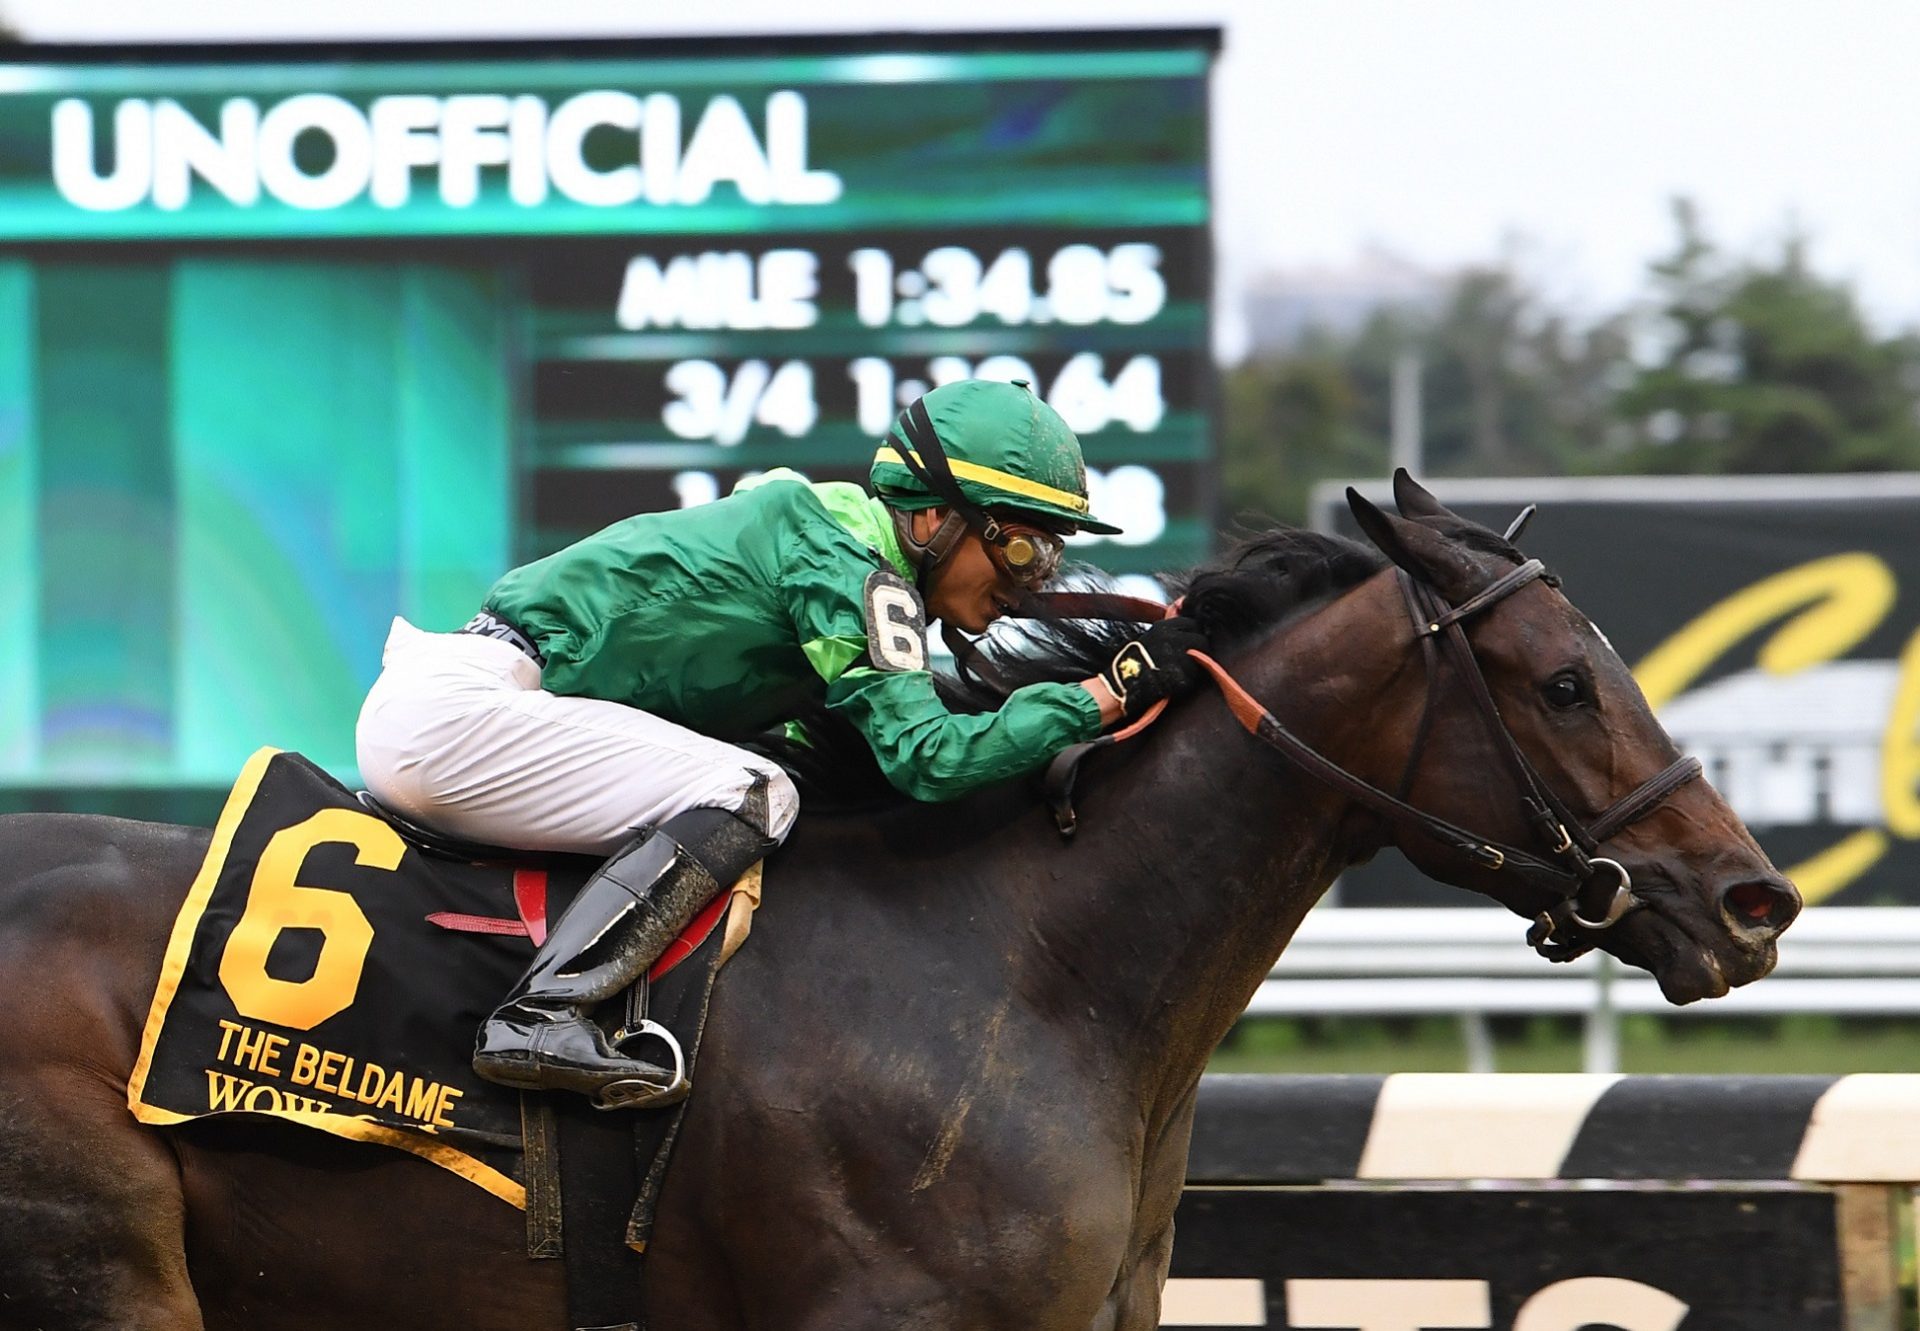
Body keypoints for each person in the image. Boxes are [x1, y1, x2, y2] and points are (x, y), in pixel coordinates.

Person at [355, 378, 1210, 1109]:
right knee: (756, 790)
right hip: (462, 715)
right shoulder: (845, 565)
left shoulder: (835, 563)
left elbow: (874, 755)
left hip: (477, 712)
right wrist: (1107, 692)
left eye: (1049, 554)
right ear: (937, 519)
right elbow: (931, 758)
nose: (1033, 579)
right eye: (1022, 543)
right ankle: (543, 1013)